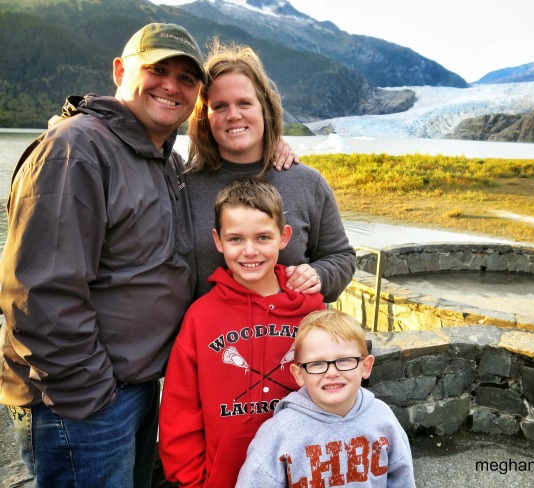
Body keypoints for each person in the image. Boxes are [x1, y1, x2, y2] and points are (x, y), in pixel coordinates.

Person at [0, 22, 215, 488]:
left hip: (131, 386)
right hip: (83, 399)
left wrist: (275, 145)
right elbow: (40, 295)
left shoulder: (162, 158)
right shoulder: (75, 150)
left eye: (186, 78)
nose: (171, 86)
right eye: (158, 69)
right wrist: (94, 397)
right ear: (120, 70)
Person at [158, 176, 325, 487]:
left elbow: (336, 389)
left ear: (284, 237)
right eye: (235, 239)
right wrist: (194, 481)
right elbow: (179, 410)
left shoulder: (311, 311)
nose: (250, 251)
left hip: (303, 473)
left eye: (263, 237)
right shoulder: (201, 316)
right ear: (218, 241)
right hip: (224, 478)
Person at [185, 40, 356, 303]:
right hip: (212, 341)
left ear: (264, 108)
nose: (233, 115)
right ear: (204, 117)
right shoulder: (184, 186)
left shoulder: (307, 183)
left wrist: (318, 276)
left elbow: (341, 257)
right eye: (219, 106)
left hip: (291, 341)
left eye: (244, 103)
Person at [235, 308, 416, 487]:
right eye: (317, 363)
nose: (332, 372)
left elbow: (402, 478)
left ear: (366, 367)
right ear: (299, 374)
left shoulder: (383, 418)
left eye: (344, 360)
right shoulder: (279, 432)